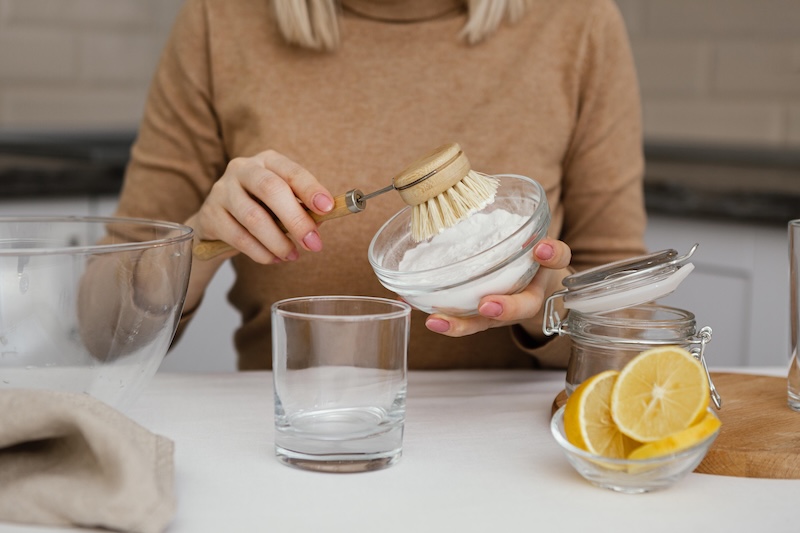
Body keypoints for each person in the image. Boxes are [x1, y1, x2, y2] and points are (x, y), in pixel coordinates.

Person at [111, 0, 647, 370]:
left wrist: (547, 303)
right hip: (299, 439)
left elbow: (634, 328)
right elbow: (99, 335)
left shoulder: (579, 23)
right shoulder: (220, 22)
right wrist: (194, 246)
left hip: (515, 456)